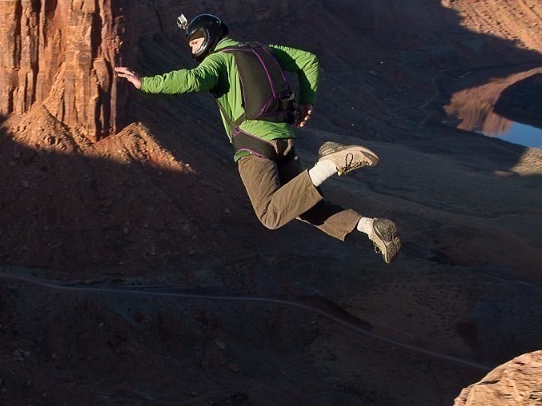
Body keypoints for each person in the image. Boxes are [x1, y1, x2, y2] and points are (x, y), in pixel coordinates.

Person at [114, 14, 402, 263]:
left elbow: (191, 79)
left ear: (207, 37)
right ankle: (371, 227)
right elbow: (308, 60)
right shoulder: (261, 50)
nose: (191, 47)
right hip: (283, 139)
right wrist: (306, 101)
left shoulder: (218, 61)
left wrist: (144, 83)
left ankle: (330, 164)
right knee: (300, 205)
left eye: (193, 41)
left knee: (270, 215)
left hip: (253, 144)